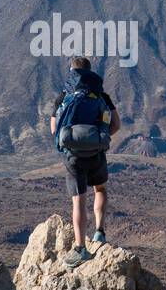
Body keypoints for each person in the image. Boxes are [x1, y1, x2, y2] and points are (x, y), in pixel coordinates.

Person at [49, 56, 120, 268]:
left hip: (73, 157)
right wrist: (100, 139)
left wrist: (70, 142)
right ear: (89, 72)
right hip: (97, 153)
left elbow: (55, 130)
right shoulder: (100, 95)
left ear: (72, 71)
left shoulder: (64, 96)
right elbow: (116, 124)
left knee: (78, 200)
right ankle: (100, 232)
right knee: (100, 189)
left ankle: (81, 249)